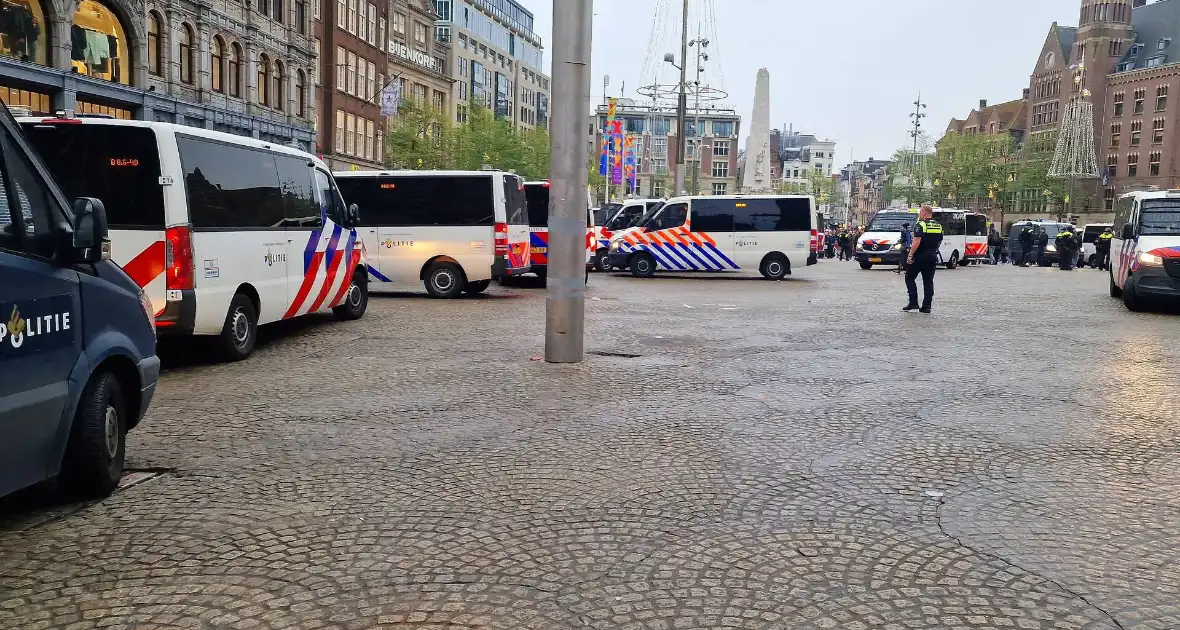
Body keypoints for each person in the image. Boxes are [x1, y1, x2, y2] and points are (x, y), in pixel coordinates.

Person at [903, 205, 943, 313]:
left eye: (921, 212)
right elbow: (940, 240)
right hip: (932, 255)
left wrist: (910, 255)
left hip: (920, 255)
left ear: (924, 213)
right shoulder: (938, 225)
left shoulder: (920, 224)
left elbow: (916, 241)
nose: (920, 214)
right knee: (928, 281)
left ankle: (913, 302)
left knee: (909, 277)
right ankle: (927, 306)